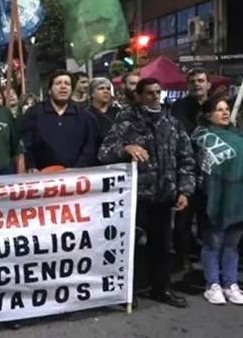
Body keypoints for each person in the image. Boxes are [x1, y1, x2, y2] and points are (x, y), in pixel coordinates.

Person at [98, 77, 195, 308]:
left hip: (163, 196)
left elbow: (186, 158)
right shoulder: (127, 120)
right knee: (129, 248)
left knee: (161, 248)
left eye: (158, 92)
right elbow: (105, 153)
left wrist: (184, 190)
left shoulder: (171, 123)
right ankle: (127, 292)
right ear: (140, 95)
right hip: (136, 198)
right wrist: (125, 148)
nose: (155, 97)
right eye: (149, 93)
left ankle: (162, 289)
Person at [191, 96, 243, 305]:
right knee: (214, 242)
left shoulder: (238, 135)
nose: (224, 113)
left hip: (238, 198)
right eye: (218, 109)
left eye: (226, 109)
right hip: (214, 197)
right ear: (207, 114)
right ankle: (212, 283)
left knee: (232, 244)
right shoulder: (201, 137)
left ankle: (230, 283)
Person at [171, 68, 211, 269]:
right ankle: (183, 256)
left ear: (208, 84)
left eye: (201, 80)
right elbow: (183, 130)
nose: (197, 84)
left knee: (208, 217)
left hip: (211, 173)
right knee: (184, 219)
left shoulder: (216, 106)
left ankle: (208, 256)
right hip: (187, 171)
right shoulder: (180, 106)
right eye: (193, 81)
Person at [21, 70, 98, 171]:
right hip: (41, 176)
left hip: (76, 176)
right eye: (58, 83)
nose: (63, 87)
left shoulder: (85, 117)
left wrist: (78, 168)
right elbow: (26, 144)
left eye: (67, 84)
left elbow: (90, 147)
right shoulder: (34, 114)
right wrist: (31, 166)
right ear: (49, 90)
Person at [87, 77, 120, 149]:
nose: (106, 91)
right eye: (101, 88)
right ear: (92, 93)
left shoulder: (118, 112)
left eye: (108, 89)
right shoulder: (85, 115)